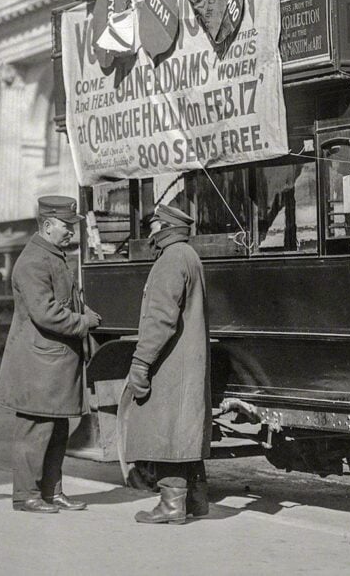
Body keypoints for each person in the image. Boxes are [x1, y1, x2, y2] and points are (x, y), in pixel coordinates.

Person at [0, 196, 101, 514]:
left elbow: (61, 302)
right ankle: (26, 495)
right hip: (40, 364)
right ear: (47, 225)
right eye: (68, 226)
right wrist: (83, 322)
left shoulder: (51, 255)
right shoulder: (34, 261)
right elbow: (45, 313)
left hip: (51, 363)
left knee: (55, 430)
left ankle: (51, 492)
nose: (72, 231)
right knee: (35, 430)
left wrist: (84, 311)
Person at [124, 202, 211, 525]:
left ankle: (171, 505)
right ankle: (196, 501)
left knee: (167, 431)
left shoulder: (169, 260)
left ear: (163, 228)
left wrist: (141, 362)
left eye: (153, 226)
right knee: (185, 429)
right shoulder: (189, 256)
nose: (149, 232)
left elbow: (159, 319)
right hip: (188, 360)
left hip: (170, 362)